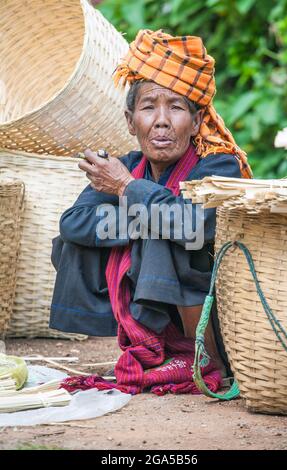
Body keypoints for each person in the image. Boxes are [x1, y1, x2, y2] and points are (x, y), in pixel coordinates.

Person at [50, 30, 252, 396]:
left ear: (195, 122)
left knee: (173, 233)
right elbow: (73, 222)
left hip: (217, 311)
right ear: (131, 122)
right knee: (94, 238)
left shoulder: (220, 167)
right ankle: (154, 346)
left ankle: (204, 357)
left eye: (175, 107)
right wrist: (146, 219)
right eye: (148, 107)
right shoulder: (125, 165)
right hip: (160, 288)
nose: (161, 120)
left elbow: (194, 227)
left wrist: (127, 190)